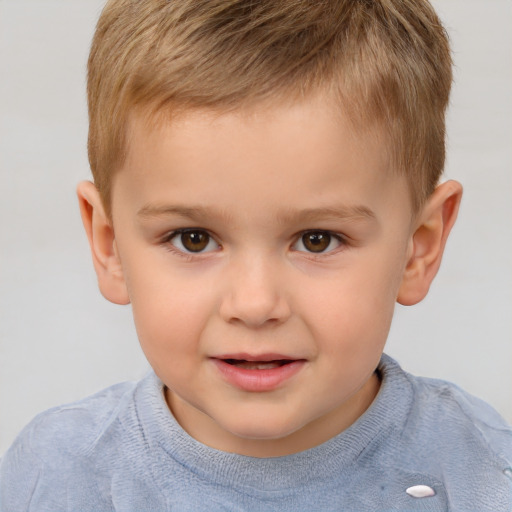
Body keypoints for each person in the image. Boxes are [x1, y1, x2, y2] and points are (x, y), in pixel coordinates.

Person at [1, 0, 511, 509]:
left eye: (318, 239)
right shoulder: (54, 477)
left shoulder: (483, 477)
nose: (255, 303)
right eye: (193, 238)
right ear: (109, 245)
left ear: (417, 249)